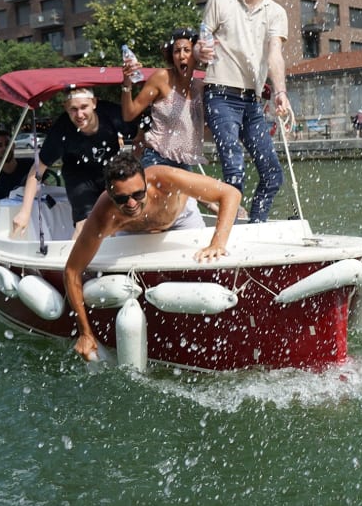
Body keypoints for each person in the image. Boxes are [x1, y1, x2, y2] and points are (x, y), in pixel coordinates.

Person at [63, 152, 241, 361]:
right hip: (133, 232)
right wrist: (86, 333)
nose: (131, 203)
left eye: (138, 194)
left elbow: (230, 194)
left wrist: (217, 243)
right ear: (110, 194)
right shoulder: (104, 213)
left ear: (146, 183)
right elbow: (72, 270)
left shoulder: (165, 179)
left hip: (181, 220)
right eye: (122, 198)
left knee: (206, 264)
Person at [197, 0, 289, 223]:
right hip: (220, 95)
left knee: (273, 174)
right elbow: (202, 39)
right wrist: (201, 49)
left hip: (252, 103)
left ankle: (255, 226)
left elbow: (274, 54)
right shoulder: (219, 0)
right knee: (234, 168)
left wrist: (280, 93)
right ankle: (228, 232)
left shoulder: (276, 12)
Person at [11, 87, 138, 239]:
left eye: (84, 107)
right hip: (78, 175)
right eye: (73, 109)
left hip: (111, 170)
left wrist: (135, 167)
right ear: (66, 108)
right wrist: (24, 213)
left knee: (120, 217)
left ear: (94, 103)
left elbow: (142, 135)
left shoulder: (113, 114)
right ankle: (74, 260)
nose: (79, 115)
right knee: (85, 224)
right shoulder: (61, 130)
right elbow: (37, 170)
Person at [120, 28, 206, 170]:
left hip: (185, 163)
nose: (181, 56)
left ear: (196, 55)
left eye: (187, 50)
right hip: (157, 158)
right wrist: (127, 83)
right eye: (177, 51)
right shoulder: (161, 78)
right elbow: (129, 114)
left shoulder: (201, 87)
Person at [0, 129, 33, 225]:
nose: (5, 148)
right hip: (5, 218)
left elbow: (46, 188)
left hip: (33, 212)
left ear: (13, 146)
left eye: (8, 144)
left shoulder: (30, 165)